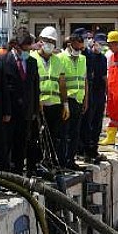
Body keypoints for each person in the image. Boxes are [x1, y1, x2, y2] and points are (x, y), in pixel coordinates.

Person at [0, 33, 41, 175]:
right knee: (6, 143)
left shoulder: (32, 62)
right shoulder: (3, 61)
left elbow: (35, 88)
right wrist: (4, 111)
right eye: (25, 48)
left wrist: (34, 110)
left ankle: (18, 171)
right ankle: (5, 172)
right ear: (16, 46)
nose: (28, 51)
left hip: (26, 111)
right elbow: (1, 89)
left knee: (22, 142)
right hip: (9, 111)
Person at [31, 26, 69, 168]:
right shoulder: (32, 58)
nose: (49, 44)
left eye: (52, 41)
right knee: (37, 136)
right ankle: (37, 162)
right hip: (39, 104)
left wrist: (65, 104)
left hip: (54, 104)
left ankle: (52, 161)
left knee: (54, 136)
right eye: (46, 40)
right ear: (40, 41)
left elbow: (62, 84)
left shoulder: (58, 61)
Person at [58, 31, 87, 170]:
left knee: (75, 132)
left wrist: (86, 100)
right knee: (64, 132)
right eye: (77, 48)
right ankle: (62, 161)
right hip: (66, 99)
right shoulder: (61, 58)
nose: (79, 51)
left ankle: (71, 160)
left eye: (81, 48)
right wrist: (64, 103)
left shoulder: (83, 59)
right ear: (70, 44)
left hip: (78, 99)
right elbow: (61, 81)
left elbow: (85, 80)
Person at [79, 31, 108, 163]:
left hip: (100, 93)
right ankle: (85, 151)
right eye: (98, 43)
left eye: (103, 44)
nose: (100, 46)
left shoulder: (103, 58)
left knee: (97, 124)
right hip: (89, 93)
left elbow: (103, 77)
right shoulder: (87, 56)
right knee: (87, 124)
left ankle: (94, 150)